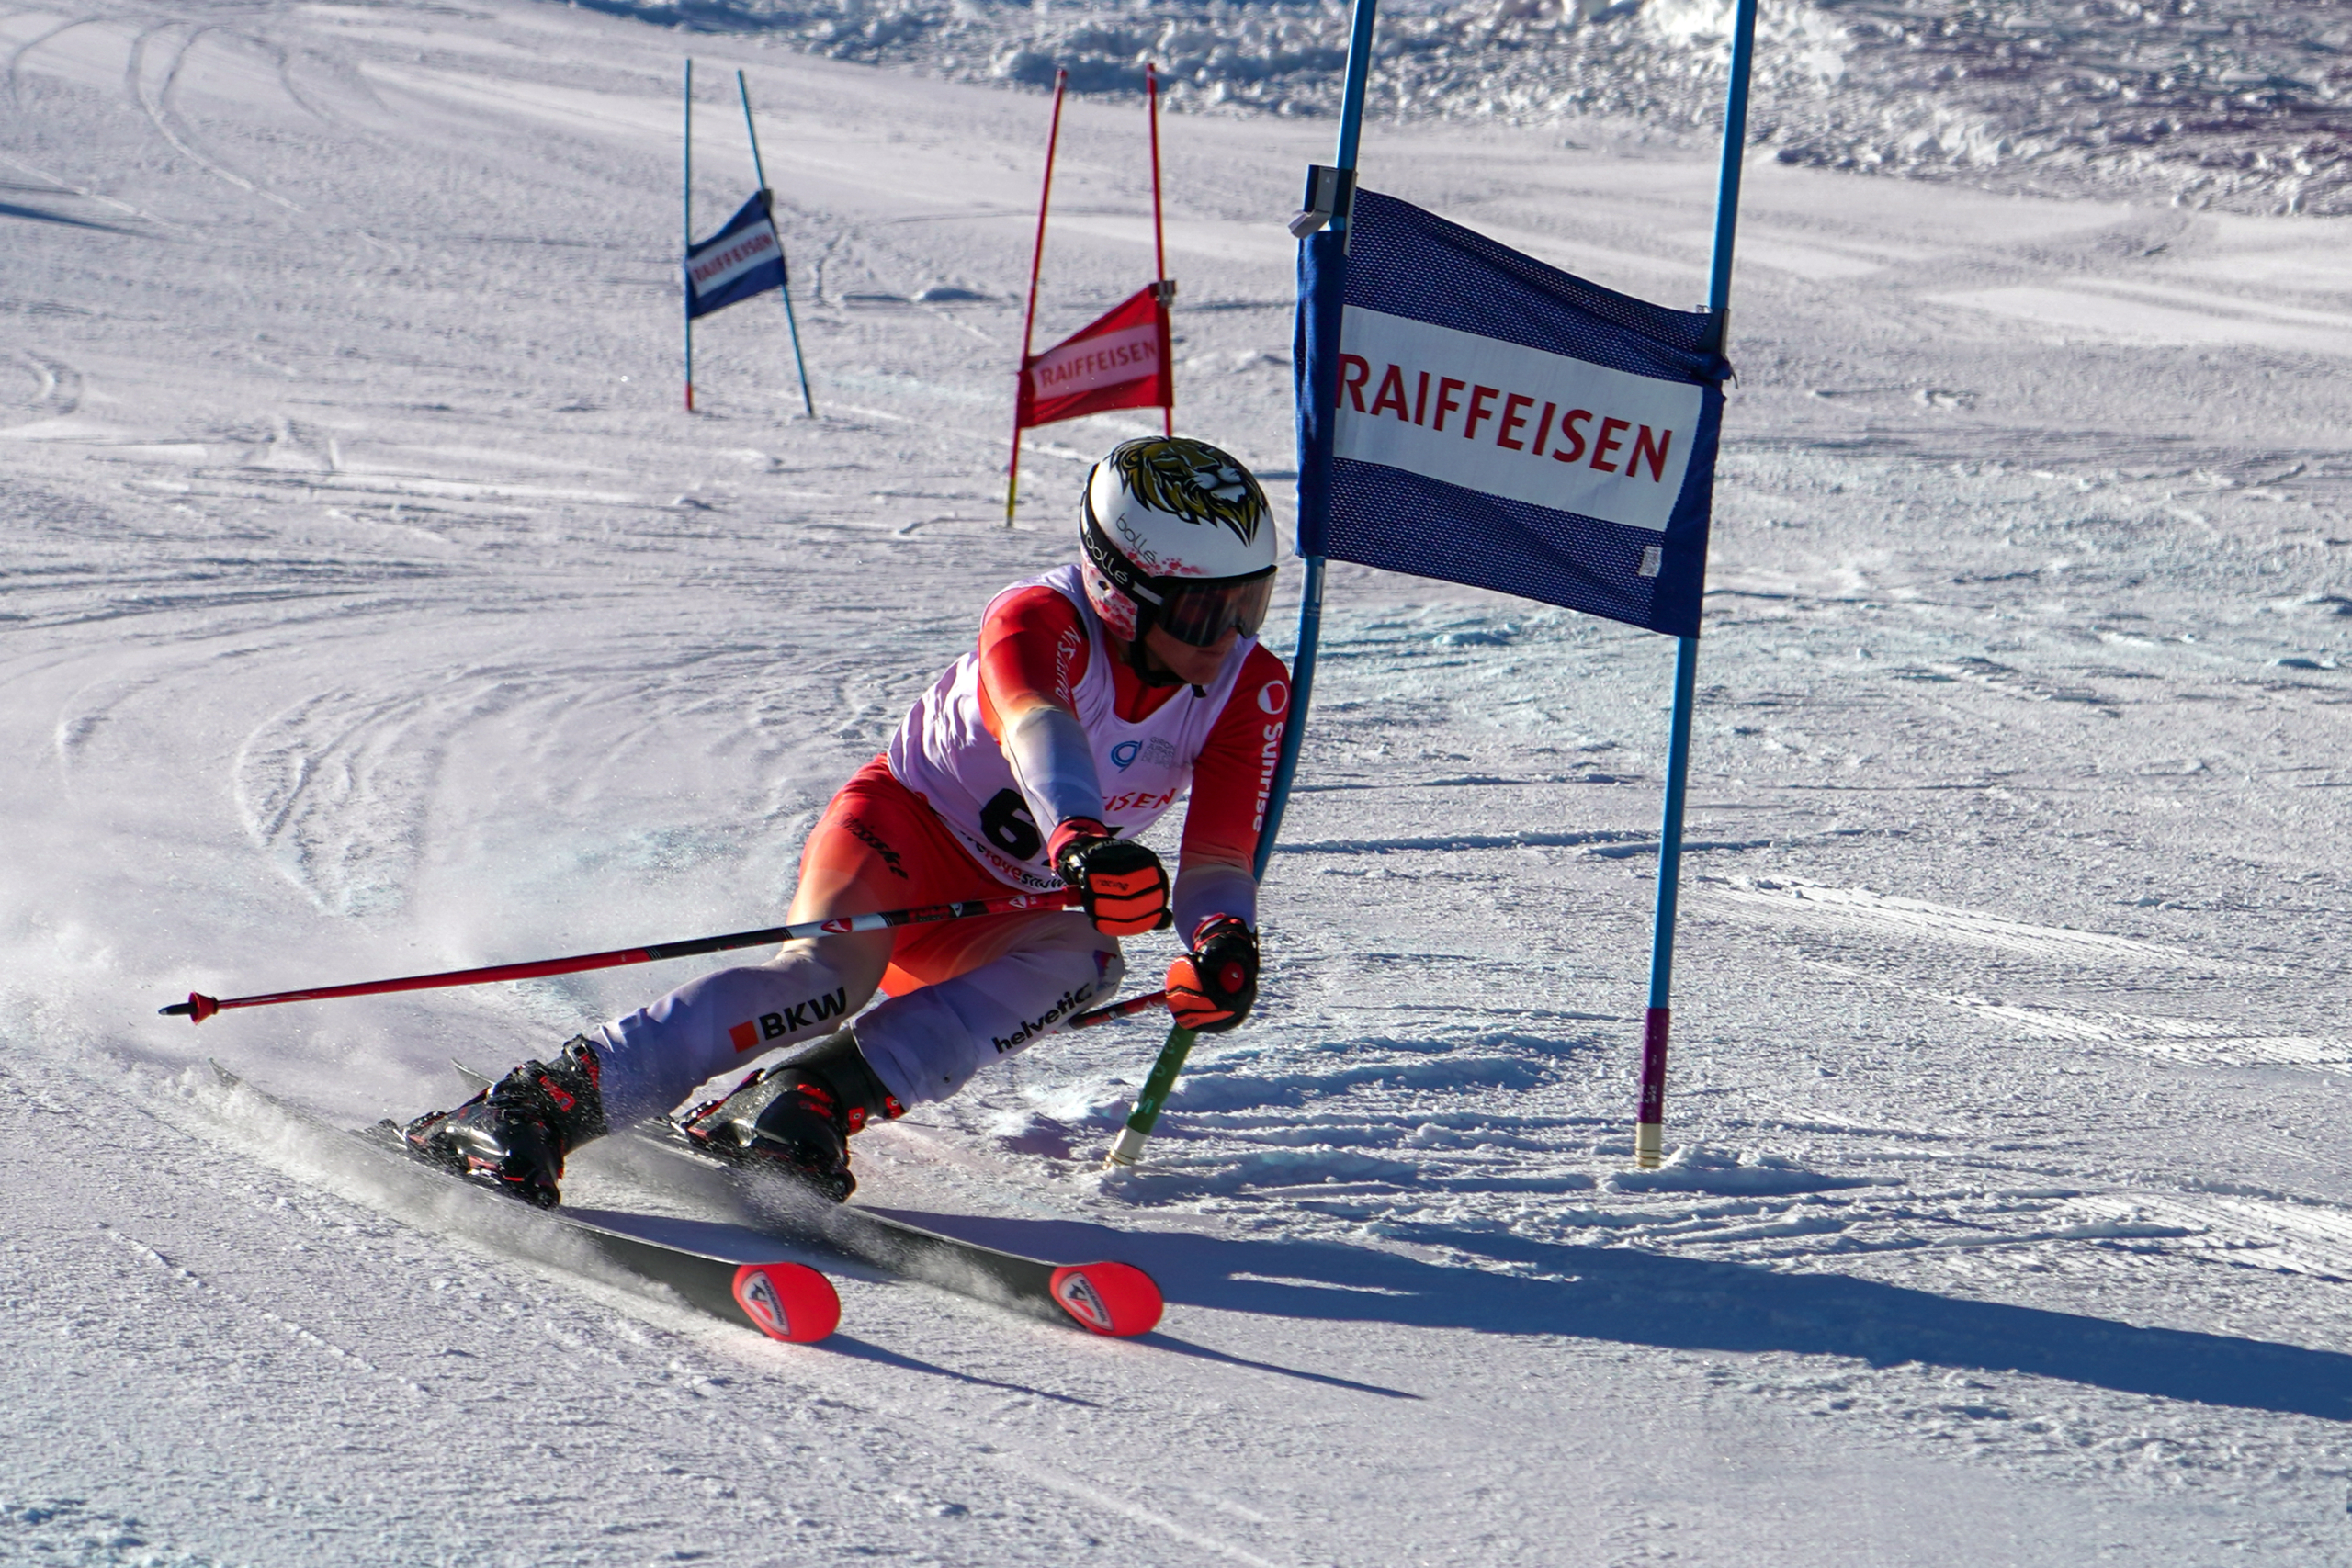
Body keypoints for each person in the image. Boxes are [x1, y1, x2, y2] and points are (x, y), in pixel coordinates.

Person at [401, 436, 1291, 1206]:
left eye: (1248, 605)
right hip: (900, 838)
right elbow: (1037, 728)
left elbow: (1219, 855)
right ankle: (537, 1104)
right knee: (821, 983)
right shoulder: (1040, 619)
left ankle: (808, 1097)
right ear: (1119, 590)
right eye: (1206, 612)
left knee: (1087, 959)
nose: (1230, 636)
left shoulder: (1245, 687)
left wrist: (1222, 943)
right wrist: (1083, 840)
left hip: (1004, 904)